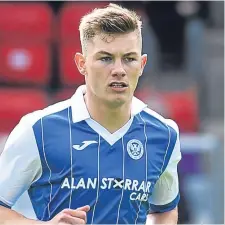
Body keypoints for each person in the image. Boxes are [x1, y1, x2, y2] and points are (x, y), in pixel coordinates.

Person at [0, 3, 182, 224]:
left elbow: (165, 210)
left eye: (129, 59)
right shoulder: (38, 129)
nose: (119, 69)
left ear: (142, 64)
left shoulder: (164, 134)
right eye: (105, 58)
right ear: (82, 63)